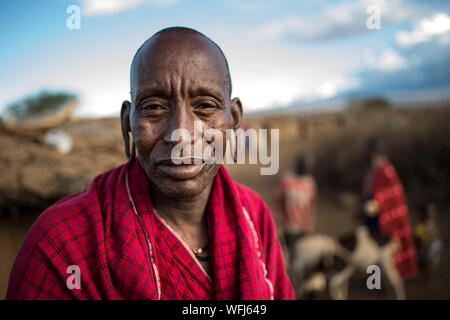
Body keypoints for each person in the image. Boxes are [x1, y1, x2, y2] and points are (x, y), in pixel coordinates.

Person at [6, 27, 294, 300]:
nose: (180, 133)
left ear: (233, 119)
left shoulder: (253, 216)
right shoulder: (61, 243)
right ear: (127, 122)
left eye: (205, 105)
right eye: (154, 107)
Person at [360, 138, 418, 279]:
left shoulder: (387, 170)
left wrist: (378, 203)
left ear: (374, 152)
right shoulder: (373, 169)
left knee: (385, 248)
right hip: (373, 217)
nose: (366, 154)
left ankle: (389, 277)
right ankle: (376, 279)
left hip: (385, 217)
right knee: (373, 248)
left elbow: (394, 194)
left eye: (368, 151)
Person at [275, 153, 317, 256]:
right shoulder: (287, 180)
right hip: (289, 226)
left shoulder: (310, 183)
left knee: (303, 254)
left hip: (304, 226)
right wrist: (278, 219)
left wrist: (310, 223)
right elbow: (278, 200)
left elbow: (312, 204)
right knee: (291, 254)